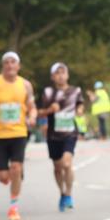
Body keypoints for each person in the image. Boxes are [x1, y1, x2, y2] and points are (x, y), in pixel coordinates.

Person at [0, 51, 37, 220]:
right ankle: (14, 176)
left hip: (18, 132)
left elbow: (32, 106)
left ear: (18, 66)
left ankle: (14, 206)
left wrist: (32, 116)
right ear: (3, 66)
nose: (10, 65)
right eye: (6, 62)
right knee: (3, 177)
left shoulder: (26, 85)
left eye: (13, 62)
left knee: (15, 167)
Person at [36, 62, 84, 212]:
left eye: (63, 72)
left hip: (70, 133)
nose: (61, 75)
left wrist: (80, 110)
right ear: (52, 77)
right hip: (53, 135)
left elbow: (80, 105)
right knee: (57, 167)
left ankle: (69, 194)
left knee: (67, 164)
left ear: (68, 75)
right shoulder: (48, 92)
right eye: (57, 73)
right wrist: (50, 110)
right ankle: (62, 193)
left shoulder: (76, 91)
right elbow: (39, 112)